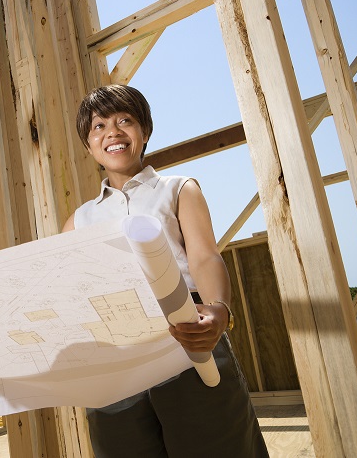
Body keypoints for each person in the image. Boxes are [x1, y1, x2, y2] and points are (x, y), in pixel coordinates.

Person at [63, 84, 268, 457]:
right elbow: (66, 296)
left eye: (125, 120)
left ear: (144, 131)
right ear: (88, 144)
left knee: (216, 444)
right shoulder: (78, 220)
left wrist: (220, 311)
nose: (112, 131)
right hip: (114, 351)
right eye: (99, 126)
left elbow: (203, 257)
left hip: (186, 330)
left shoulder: (178, 189)